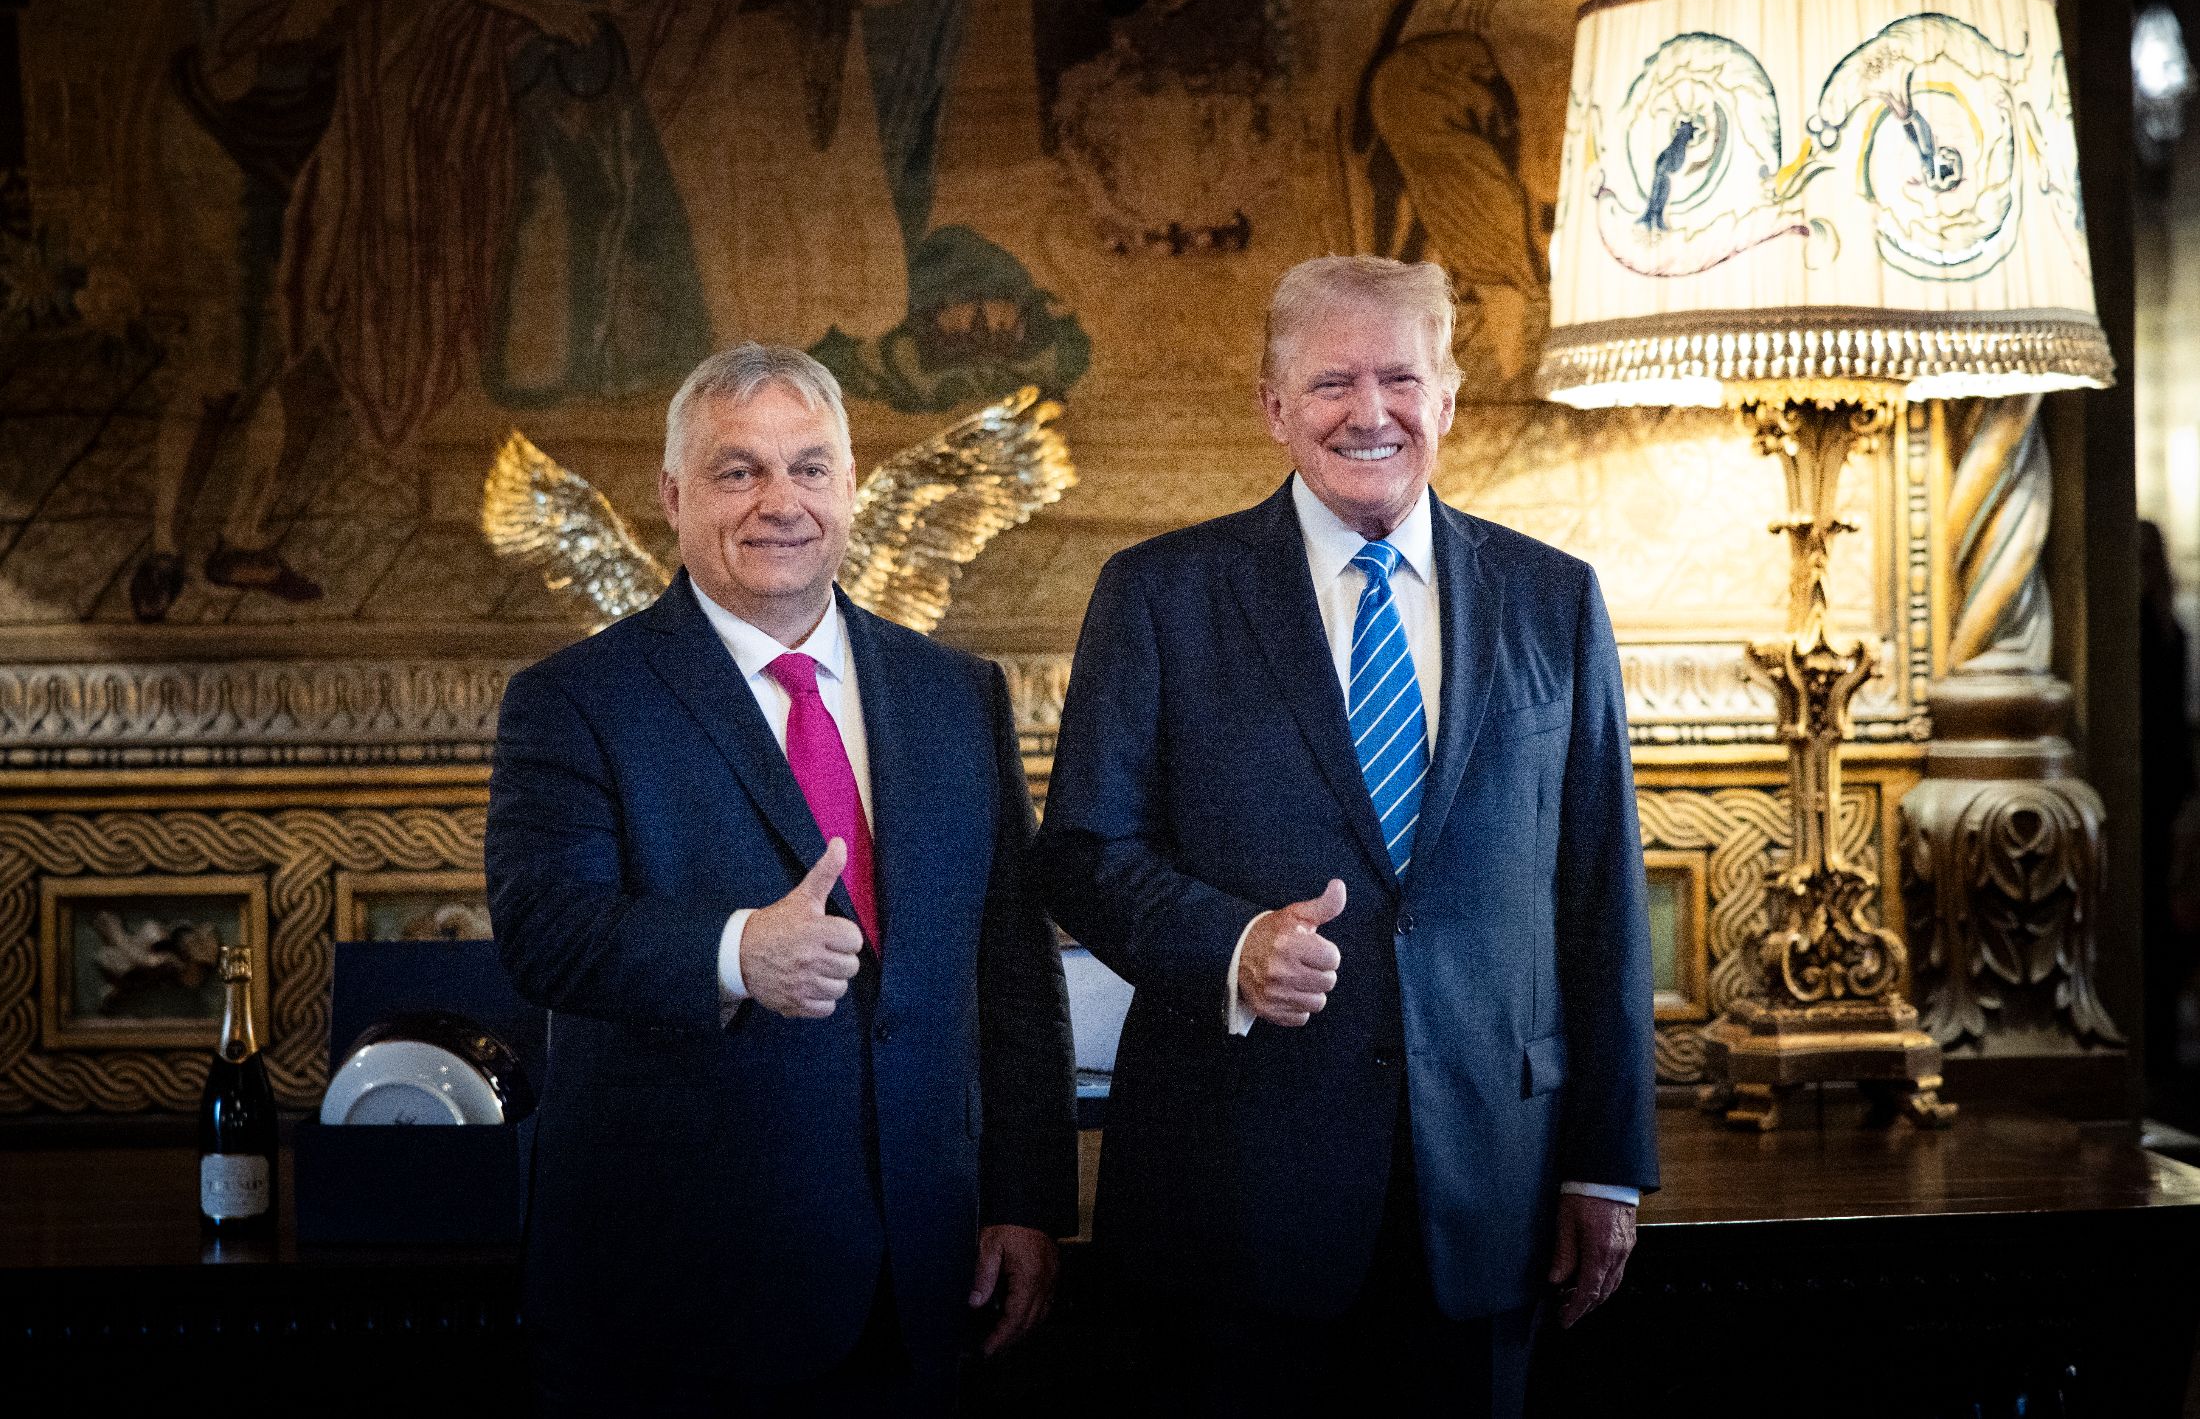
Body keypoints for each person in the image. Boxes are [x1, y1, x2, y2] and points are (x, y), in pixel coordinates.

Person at [1033, 255, 1658, 1417]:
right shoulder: (1159, 595)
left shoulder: (1554, 600)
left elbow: (1600, 896)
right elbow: (1081, 854)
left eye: (1398, 379)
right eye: (1330, 383)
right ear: (1273, 407)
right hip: (1233, 1202)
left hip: (1490, 1198)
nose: (1369, 412)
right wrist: (1232, 947)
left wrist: (1607, 1164)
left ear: (1447, 399)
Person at [486, 342, 1077, 1415]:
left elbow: (1014, 975)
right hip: (681, 1301)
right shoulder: (574, 700)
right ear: (673, 496)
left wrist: (1031, 1200)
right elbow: (544, 929)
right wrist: (733, 954)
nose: (780, 502)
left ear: (850, 486)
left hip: (928, 1283)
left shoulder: (957, 694)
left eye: (809, 468)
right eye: (738, 470)